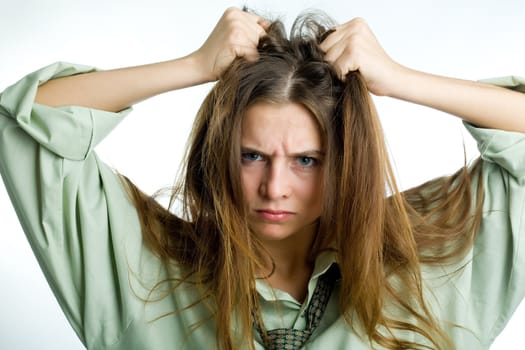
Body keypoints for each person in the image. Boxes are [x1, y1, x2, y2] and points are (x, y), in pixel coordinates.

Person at [1, 6, 524, 350]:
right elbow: (26, 123)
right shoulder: (147, 272)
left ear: (346, 164)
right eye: (252, 156)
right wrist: (195, 65)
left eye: (306, 161)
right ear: (219, 155)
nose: (275, 187)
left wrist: (400, 80)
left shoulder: (425, 268)